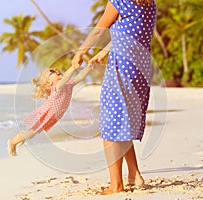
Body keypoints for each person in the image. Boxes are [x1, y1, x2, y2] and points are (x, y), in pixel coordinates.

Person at [72, 0, 156, 195]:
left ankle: (116, 185)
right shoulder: (150, 3)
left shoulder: (120, 1)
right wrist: (103, 52)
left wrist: (80, 51)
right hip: (140, 70)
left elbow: (98, 30)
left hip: (122, 69)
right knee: (122, 123)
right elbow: (129, 34)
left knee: (111, 126)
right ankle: (135, 175)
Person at [7, 64, 93, 156]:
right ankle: (12, 142)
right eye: (52, 73)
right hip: (45, 114)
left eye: (56, 70)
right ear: (49, 83)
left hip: (52, 115)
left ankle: (21, 138)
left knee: (31, 133)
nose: (56, 71)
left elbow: (80, 77)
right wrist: (73, 67)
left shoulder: (68, 85)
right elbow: (66, 77)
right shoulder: (57, 86)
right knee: (31, 133)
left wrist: (90, 66)